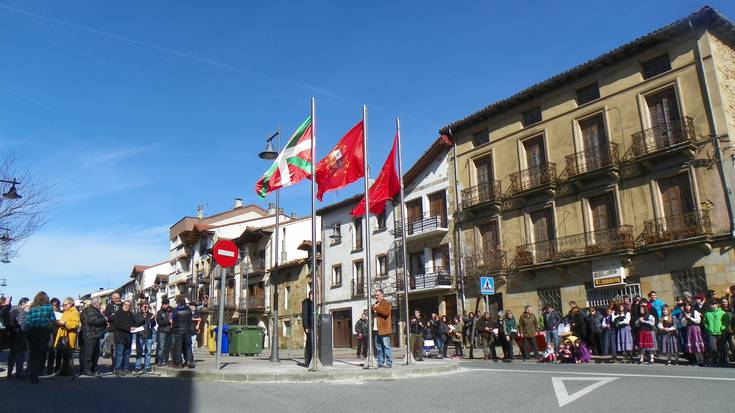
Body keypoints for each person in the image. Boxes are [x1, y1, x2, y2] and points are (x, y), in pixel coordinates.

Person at [25, 292, 56, 384]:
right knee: (40, 354)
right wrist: (51, 330)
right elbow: (52, 320)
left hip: (32, 332)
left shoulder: (32, 309)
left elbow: (27, 322)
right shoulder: (49, 308)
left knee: (33, 353)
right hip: (43, 332)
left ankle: (32, 374)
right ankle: (37, 373)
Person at [80, 297, 107, 376]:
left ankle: (92, 369)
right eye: (100, 303)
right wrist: (104, 319)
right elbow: (93, 320)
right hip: (90, 334)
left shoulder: (94, 310)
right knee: (89, 353)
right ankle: (87, 369)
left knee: (95, 353)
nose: (101, 305)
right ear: (96, 303)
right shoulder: (89, 310)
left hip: (94, 334)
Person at [54, 297, 80, 376]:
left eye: (65, 305)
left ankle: (69, 371)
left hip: (69, 336)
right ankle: (63, 371)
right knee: (64, 355)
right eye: (63, 305)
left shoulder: (74, 312)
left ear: (70, 304)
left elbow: (75, 324)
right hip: (63, 335)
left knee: (68, 355)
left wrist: (65, 323)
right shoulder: (66, 311)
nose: (63, 306)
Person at [6, 297, 29, 379]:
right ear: (22, 304)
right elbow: (22, 326)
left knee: (12, 354)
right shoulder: (20, 311)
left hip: (13, 335)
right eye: (27, 305)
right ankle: (19, 374)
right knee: (20, 355)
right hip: (19, 335)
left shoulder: (13, 309)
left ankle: (9, 372)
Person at [111, 300, 134, 374]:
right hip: (120, 336)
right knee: (120, 353)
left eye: (128, 305)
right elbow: (117, 324)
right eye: (125, 305)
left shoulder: (131, 314)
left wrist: (134, 327)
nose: (126, 306)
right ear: (123, 305)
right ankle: (117, 368)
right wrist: (128, 328)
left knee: (127, 354)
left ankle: (126, 368)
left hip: (128, 337)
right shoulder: (118, 313)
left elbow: (134, 322)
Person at [133, 301, 156, 373]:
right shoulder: (137, 315)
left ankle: (147, 366)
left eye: (146, 306)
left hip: (148, 335)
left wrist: (152, 320)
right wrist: (145, 316)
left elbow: (153, 325)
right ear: (141, 307)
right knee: (139, 352)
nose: (145, 308)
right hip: (140, 335)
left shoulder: (150, 314)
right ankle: (137, 366)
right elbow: (138, 323)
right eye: (144, 306)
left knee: (148, 352)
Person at [372, 289, 392, 368]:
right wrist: (372, 308)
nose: (376, 297)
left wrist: (376, 308)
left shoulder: (386, 303)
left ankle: (389, 362)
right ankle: (380, 362)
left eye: (378, 295)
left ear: (382, 295)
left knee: (386, 346)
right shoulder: (376, 304)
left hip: (384, 329)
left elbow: (385, 313)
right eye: (376, 295)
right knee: (378, 347)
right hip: (376, 329)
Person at [171, 297, 194, 369]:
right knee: (188, 346)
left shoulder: (176, 311)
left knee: (178, 347)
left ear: (179, 303)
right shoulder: (189, 311)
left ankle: (178, 363)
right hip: (187, 331)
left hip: (178, 331)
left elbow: (173, 320)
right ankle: (189, 361)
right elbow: (190, 320)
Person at [702, 300, 726, 367]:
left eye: (714, 304)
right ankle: (714, 361)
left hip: (720, 332)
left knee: (721, 348)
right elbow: (705, 322)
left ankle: (723, 361)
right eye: (711, 305)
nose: (712, 306)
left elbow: (726, 321)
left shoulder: (722, 312)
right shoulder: (707, 313)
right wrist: (708, 328)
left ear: (717, 305)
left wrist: (723, 327)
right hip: (711, 333)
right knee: (713, 348)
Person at [103, 293, 122, 362]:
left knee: (120, 347)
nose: (118, 299)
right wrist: (115, 316)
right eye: (116, 298)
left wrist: (114, 315)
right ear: (112, 298)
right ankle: (114, 363)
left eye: (119, 298)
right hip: (112, 329)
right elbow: (108, 317)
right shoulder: (109, 306)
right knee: (113, 347)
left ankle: (119, 364)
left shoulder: (122, 305)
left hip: (121, 330)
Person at [46, 297, 61, 375]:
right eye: (54, 305)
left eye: (57, 305)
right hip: (51, 334)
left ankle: (57, 369)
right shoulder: (48, 313)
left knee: (58, 352)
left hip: (59, 334)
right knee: (51, 352)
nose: (55, 307)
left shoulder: (61, 313)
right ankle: (49, 369)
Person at [155, 298, 172, 366]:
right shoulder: (159, 312)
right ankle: (160, 360)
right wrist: (168, 321)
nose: (164, 305)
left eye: (165, 304)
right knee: (161, 346)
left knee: (168, 347)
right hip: (162, 331)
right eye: (163, 304)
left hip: (170, 331)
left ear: (168, 304)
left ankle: (165, 360)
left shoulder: (171, 311)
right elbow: (159, 322)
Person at [301, 291, 314, 367]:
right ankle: (308, 361)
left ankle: (310, 360)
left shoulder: (313, 303)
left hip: (313, 326)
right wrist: (306, 327)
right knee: (309, 343)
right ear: (309, 295)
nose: (313, 297)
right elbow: (305, 315)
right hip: (309, 326)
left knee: (311, 343)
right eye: (312, 295)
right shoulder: (306, 303)